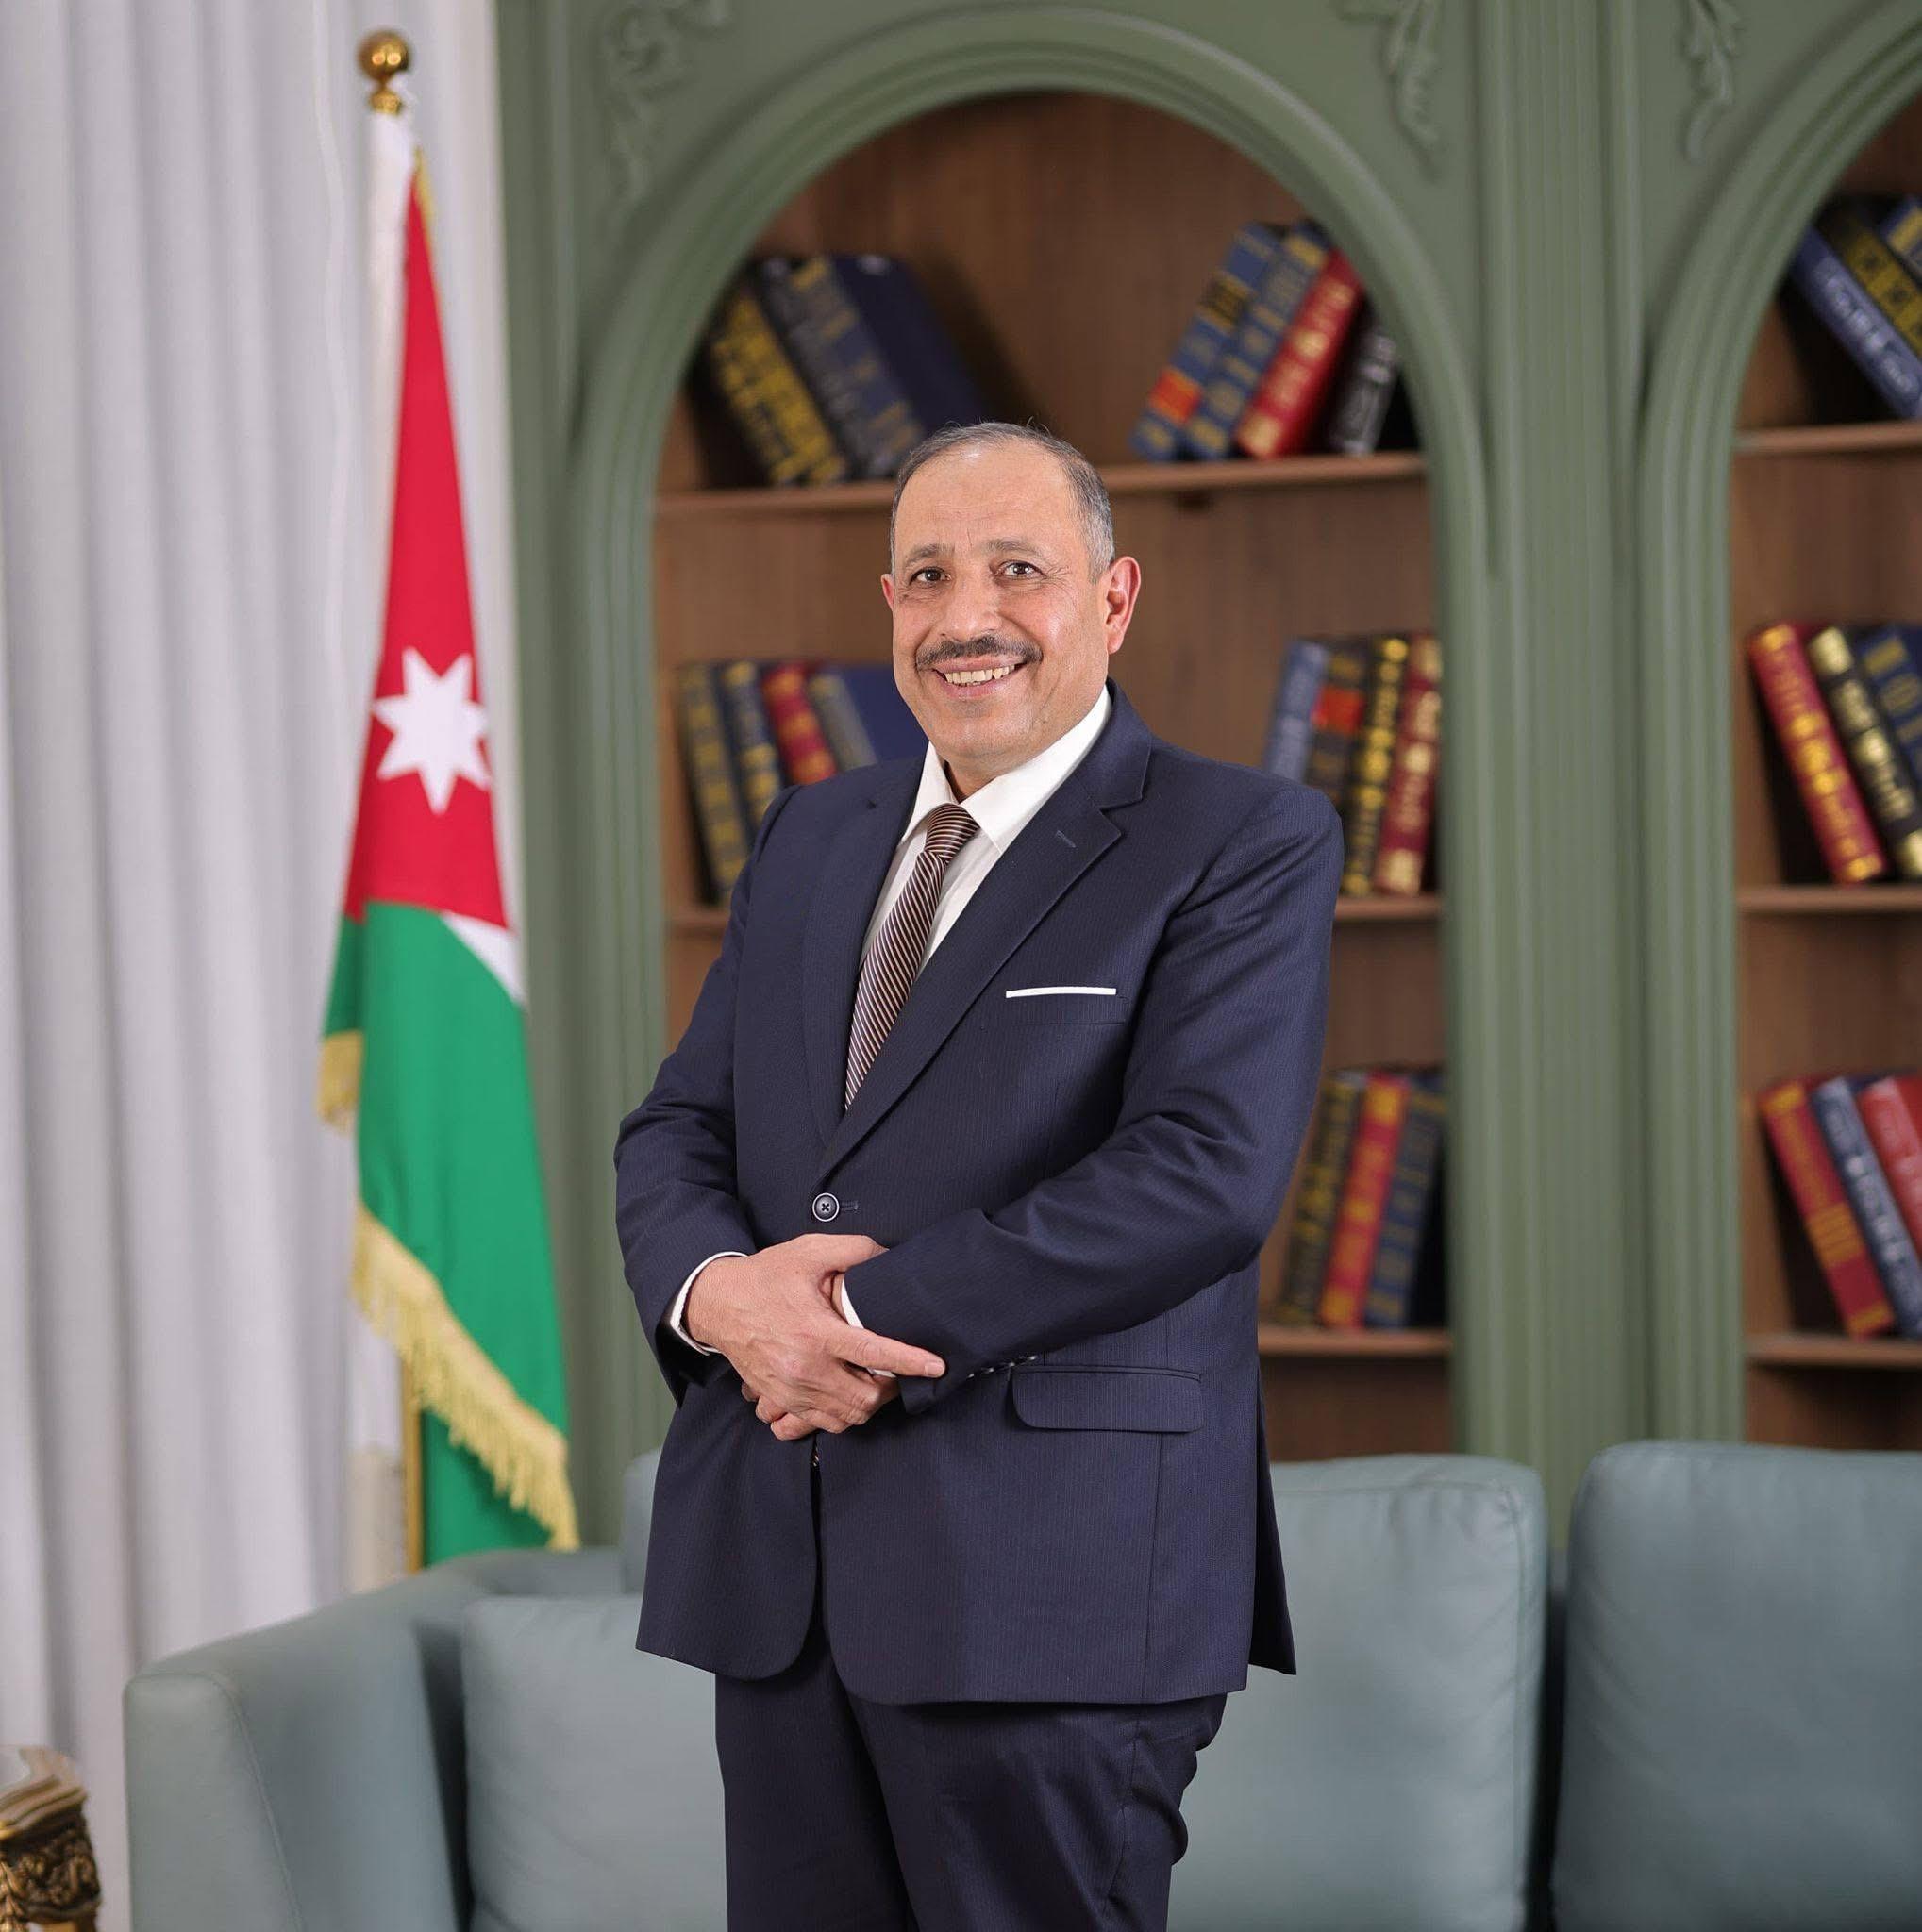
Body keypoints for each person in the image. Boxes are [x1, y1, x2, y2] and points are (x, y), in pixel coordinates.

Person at [612, 419, 1343, 1930]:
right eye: (929, 575)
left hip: (1052, 1588)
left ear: (1112, 600)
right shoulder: (811, 834)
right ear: (888, 603)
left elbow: (1201, 1176)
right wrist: (722, 1302)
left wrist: (836, 1326)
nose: (966, 617)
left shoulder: (1238, 837)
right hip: (785, 1574)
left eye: (1018, 570)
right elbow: (678, 1128)